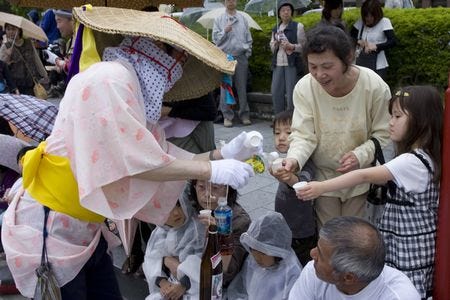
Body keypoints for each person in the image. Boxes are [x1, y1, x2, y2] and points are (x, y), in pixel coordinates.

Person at [1, 8, 258, 299]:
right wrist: (208, 171)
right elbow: (134, 160)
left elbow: (160, 152)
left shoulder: (130, 90)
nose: (175, 71)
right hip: (53, 227)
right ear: (156, 48)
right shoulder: (109, 79)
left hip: (83, 226)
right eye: (176, 57)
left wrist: (221, 154)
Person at [297, 86, 442, 299]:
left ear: (421, 121)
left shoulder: (412, 161)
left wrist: (321, 187)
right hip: (407, 238)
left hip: (409, 243)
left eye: (397, 116)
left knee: (406, 284)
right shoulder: (422, 156)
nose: (390, 122)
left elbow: (364, 176)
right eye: (391, 115)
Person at [278, 25, 391, 228]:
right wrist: (294, 159)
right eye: (313, 67)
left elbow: (383, 133)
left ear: (348, 58)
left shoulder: (374, 86)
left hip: (360, 179)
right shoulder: (305, 87)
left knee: (353, 238)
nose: (320, 74)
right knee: (328, 237)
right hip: (322, 181)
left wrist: (360, 155)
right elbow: (303, 135)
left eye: (327, 66)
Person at [289, 216, 420, 299]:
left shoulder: (399, 296)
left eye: (321, 255)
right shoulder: (313, 271)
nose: (312, 254)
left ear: (348, 278)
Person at [270, 110, 316, 266]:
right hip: (285, 224)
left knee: (301, 263)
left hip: (302, 230)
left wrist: (289, 178)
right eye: (277, 133)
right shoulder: (283, 159)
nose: (281, 137)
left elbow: (303, 181)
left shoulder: (305, 161)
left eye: (288, 132)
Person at [227, 211, 302, 300]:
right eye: (254, 250)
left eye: (263, 253)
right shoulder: (252, 261)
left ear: (277, 253)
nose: (257, 258)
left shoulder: (291, 272)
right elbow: (240, 289)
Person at [189, 179, 251, 287]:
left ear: (228, 190)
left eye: (215, 188)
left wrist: (220, 235)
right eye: (201, 187)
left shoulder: (239, 221)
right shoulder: (190, 208)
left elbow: (228, 273)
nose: (207, 195)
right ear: (194, 187)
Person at [143, 196, 205, 299]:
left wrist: (183, 285)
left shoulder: (197, 228)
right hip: (170, 285)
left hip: (196, 288)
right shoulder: (160, 232)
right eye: (168, 209)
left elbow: (200, 264)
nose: (176, 213)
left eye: (179, 205)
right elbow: (151, 260)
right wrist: (163, 282)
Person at [213, 0, 253, 127]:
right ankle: (227, 116)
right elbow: (216, 40)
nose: (230, 1)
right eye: (228, 0)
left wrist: (247, 53)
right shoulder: (219, 19)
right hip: (226, 57)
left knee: (242, 87)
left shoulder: (242, 18)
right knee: (225, 87)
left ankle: (244, 114)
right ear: (225, 2)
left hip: (241, 57)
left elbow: (248, 38)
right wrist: (225, 31)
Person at [270, 0, 306, 115]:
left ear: (291, 12)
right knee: (276, 91)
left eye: (288, 10)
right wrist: (275, 44)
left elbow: (304, 46)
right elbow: (271, 48)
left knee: (291, 94)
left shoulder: (298, 26)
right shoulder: (276, 28)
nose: (286, 12)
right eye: (283, 10)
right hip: (278, 63)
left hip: (292, 63)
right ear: (279, 13)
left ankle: (291, 119)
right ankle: (279, 118)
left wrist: (292, 46)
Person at [350, 0, 396, 80]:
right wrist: (358, 41)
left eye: (371, 16)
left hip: (379, 65)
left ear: (377, 14)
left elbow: (392, 41)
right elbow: (349, 37)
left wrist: (376, 46)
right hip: (361, 63)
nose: (368, 19)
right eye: (366, 16)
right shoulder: (360, 22)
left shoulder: (384, 22)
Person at [0, 23, 48, 96]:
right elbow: (2, 68)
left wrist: (44, 75)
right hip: (15, 85)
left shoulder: (28, 42)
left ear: (19, 30)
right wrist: (7, 56)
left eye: (13, 29)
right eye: (8, 29)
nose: (10, 32)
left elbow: (36, 60)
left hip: (30, 82)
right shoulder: (5, 46)